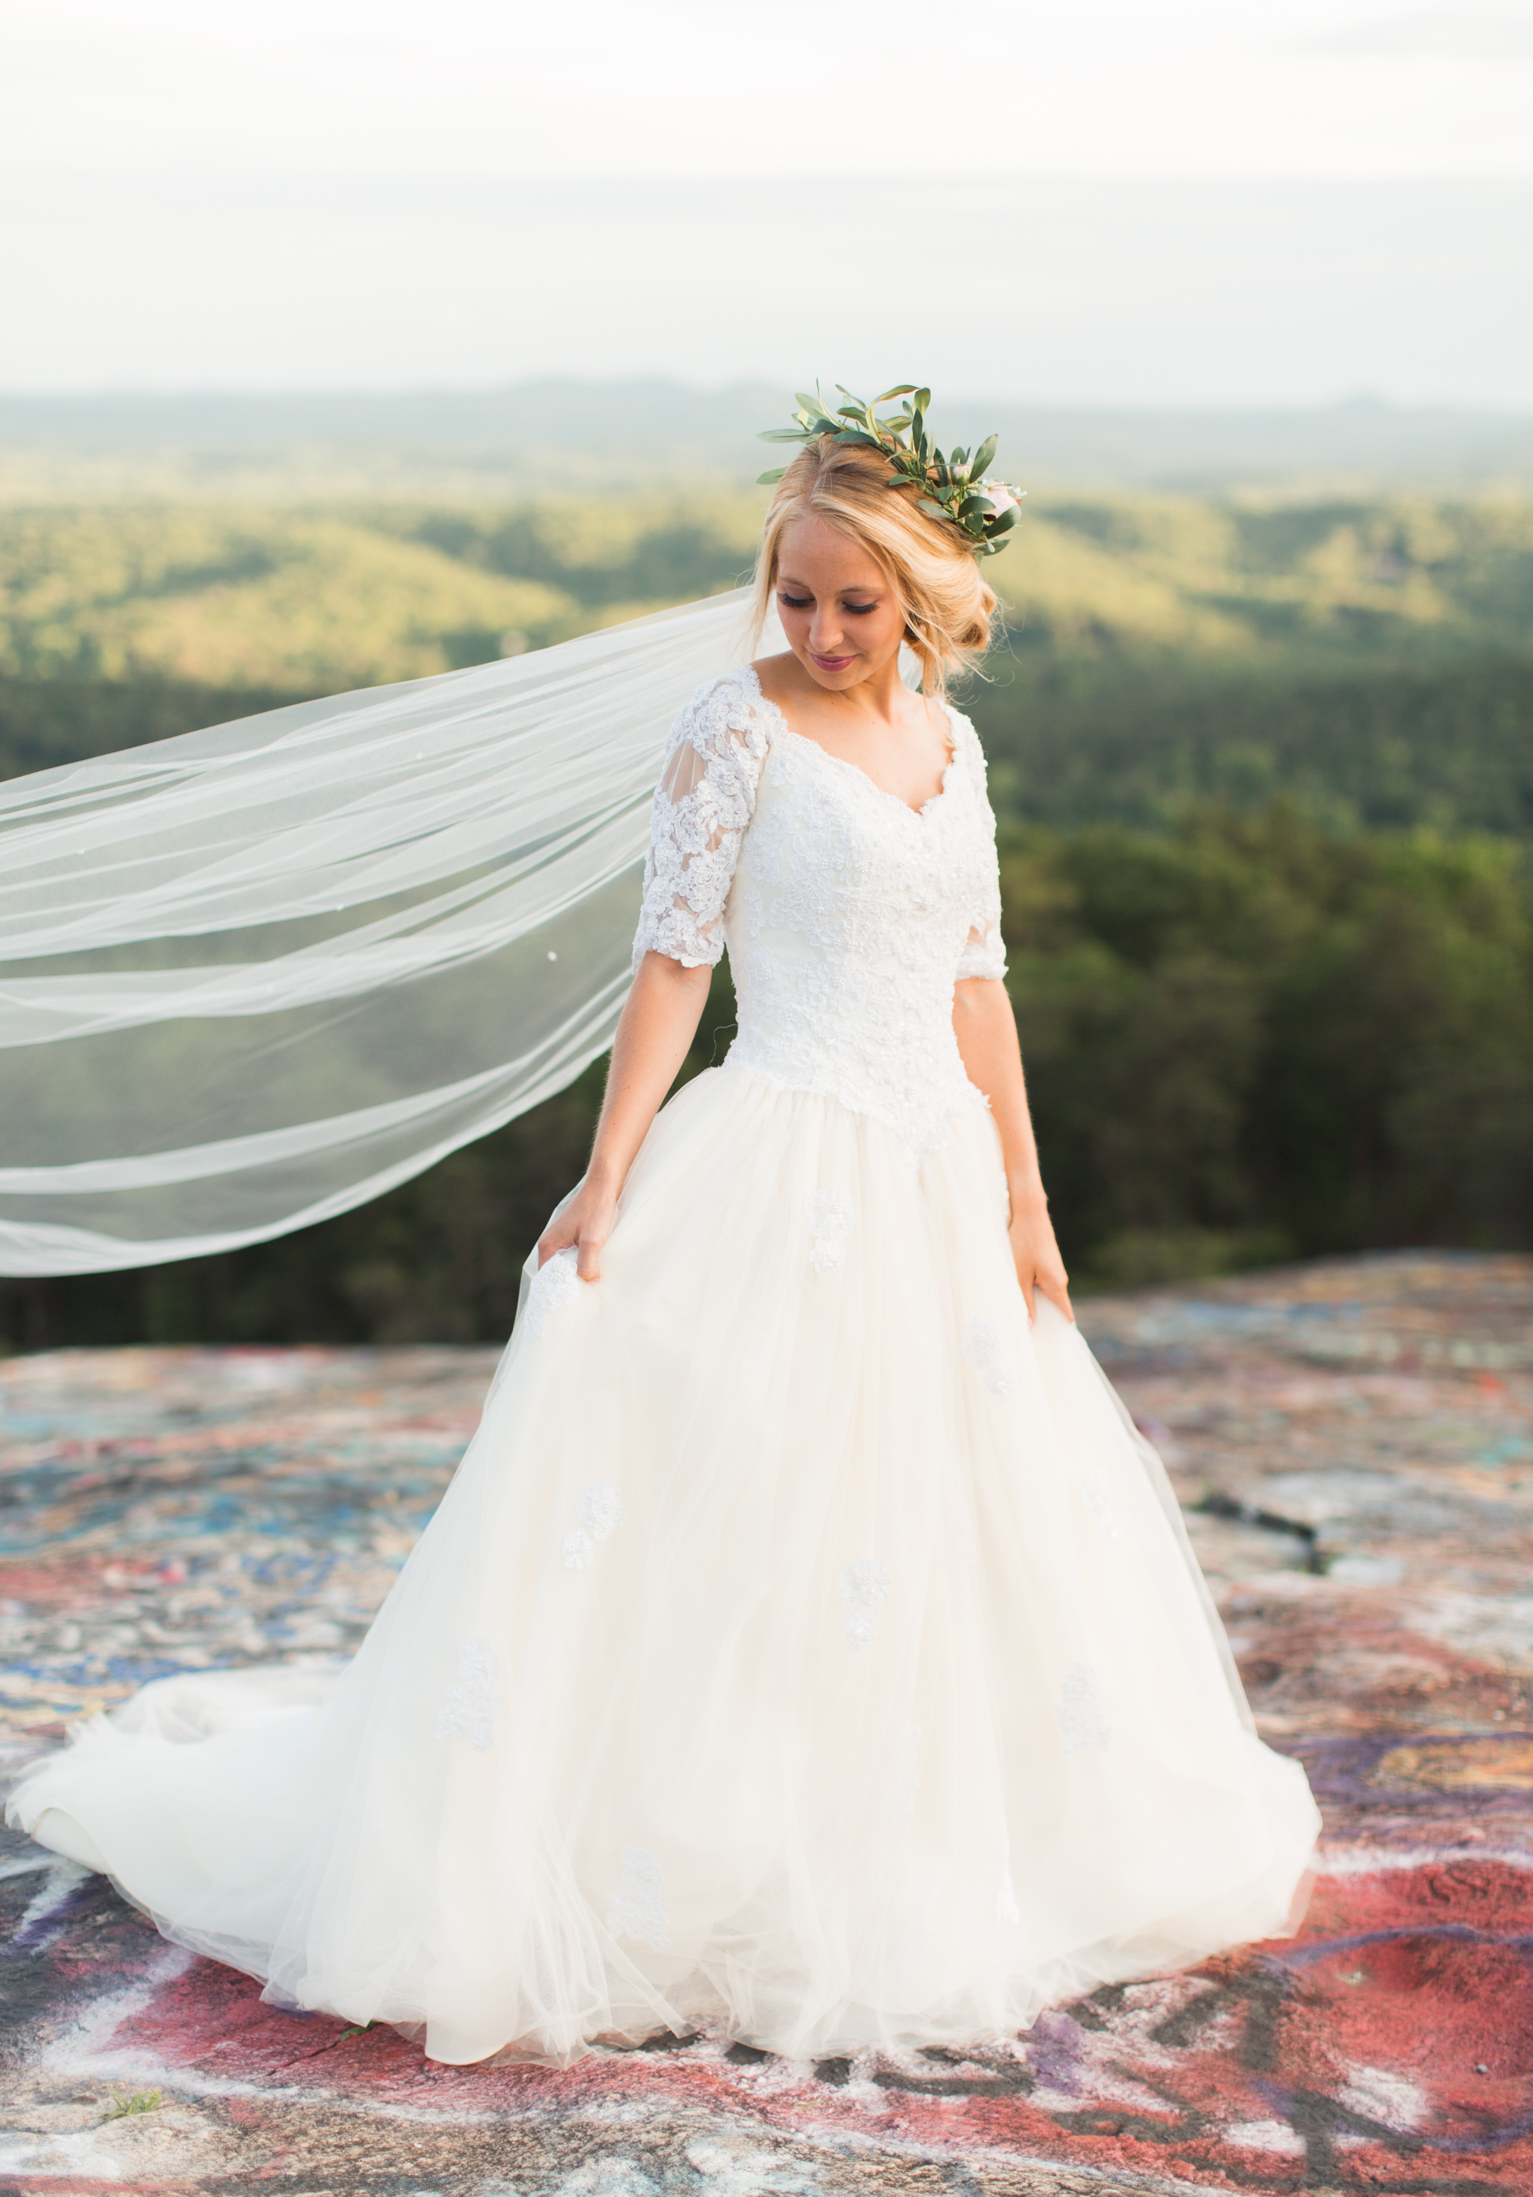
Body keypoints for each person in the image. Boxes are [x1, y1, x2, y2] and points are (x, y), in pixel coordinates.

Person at [7, 393, 1319, 2068]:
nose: (825, 631)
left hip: (931, 1173)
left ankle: (914, 1840)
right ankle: (709, 1851)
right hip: (775, 1150)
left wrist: (1023, 1191)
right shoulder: (735, 727)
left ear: (919, 598)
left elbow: (977, 978)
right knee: (744, 1498)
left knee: (946, 1512)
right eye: (798, 598)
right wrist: (610, 1168)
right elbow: (676, 960)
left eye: (857, 603)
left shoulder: (953, 747)